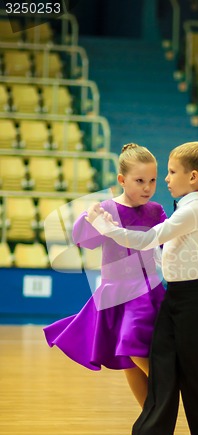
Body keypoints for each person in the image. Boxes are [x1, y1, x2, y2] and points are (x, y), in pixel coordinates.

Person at [85, 141, 198, 435]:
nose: (164, 179)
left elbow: (149, 239)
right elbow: (191, 242)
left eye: (171, 172)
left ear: (192, 177)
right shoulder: (188, 209)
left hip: (193, 299)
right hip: (175, 296)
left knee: (193, 367)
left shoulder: (193, 210)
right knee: (162, 365)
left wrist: (106, 227)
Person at [43, 144, 167, 408]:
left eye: (152, 180)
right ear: (122, 180)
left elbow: (168, 245)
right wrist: (89, 219)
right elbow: (83, 241)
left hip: (144, 292)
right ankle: (151, 419)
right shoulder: (106, 209)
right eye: (140, 180)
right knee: (128, 361)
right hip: (115, 292)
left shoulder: (155, 210)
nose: (147, 187)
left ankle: (169, 386)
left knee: (132, 345)